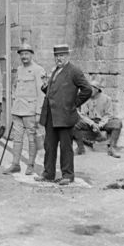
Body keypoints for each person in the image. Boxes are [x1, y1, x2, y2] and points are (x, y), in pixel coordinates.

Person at [35, 44, 92, 186]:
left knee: (66, 147)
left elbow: (87, 90)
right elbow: (56, 92)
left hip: (65, 116)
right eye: (56, 56)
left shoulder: (74, 71)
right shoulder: (56, 71)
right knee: (49, 145)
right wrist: (45, 87)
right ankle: (48, 174)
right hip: (51, 116)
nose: (58, 58)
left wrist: (73, 104)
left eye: (61, 55)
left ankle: (68, 175)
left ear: (67, 56)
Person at [2, 43, 46, 175]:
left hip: (31, 110)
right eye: (21, 54)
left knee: (31, 139)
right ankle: (15, 164)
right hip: (18, 110)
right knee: (17, 138)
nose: (24, 56)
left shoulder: (38, 70)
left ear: (32, 54)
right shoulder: (19, 69)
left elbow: (42, 93)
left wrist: (38, 112)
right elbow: (15, 87)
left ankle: (30, 165)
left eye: (26, 53)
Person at [72, 79, 123, 158]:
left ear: (97, 89)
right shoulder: (85, 98)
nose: (89, 90)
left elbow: (108, 115)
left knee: (117, 124)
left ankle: (112, 148)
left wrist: (100, 124)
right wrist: (92, 123)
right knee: (73, 124)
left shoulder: (107, 99)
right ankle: (80, 148)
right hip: (89, 122)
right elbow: (83, 115)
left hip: (102, 122)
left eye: (91, 88)